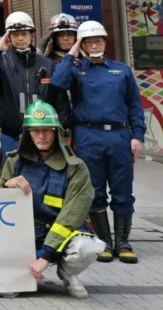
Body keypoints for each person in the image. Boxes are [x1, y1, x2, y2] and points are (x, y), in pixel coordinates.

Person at [52, 20, 146, 264]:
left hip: (119, 136)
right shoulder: (76, 70)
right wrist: (72, 53)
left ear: (105, 42)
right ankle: (104, 242)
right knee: (94, 190)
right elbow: (57, 83)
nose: (94, 45)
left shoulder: (121, 70)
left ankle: (123, 242)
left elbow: (134, 105)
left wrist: (137, 136)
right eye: (89, 42)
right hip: (88, 135)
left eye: (98, 40)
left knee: (122, 190)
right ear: (82, 45)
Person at [0, 101, 99, 299]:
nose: (41, 136)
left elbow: (70, 216)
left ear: (57, 133)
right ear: (27, 133)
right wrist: (5, 187)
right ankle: (25, 273)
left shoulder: (76, 168)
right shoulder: (14, 162)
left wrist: (45, 256)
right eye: (35, 131)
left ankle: (68, 272)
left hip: (63, 234)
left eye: (47, 130)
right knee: (6, 291)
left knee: (87, 248)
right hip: (26, 235)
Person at [0, 11, 73, 160]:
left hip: (44, 135)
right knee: (13, 179)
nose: (20, 38)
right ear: (8, 36)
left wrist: (62, 130)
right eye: (15, 34)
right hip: (11, 135)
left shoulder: (47, 64)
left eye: (24, 34)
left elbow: (60, 100)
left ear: (32, 35)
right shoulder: (2, 63)